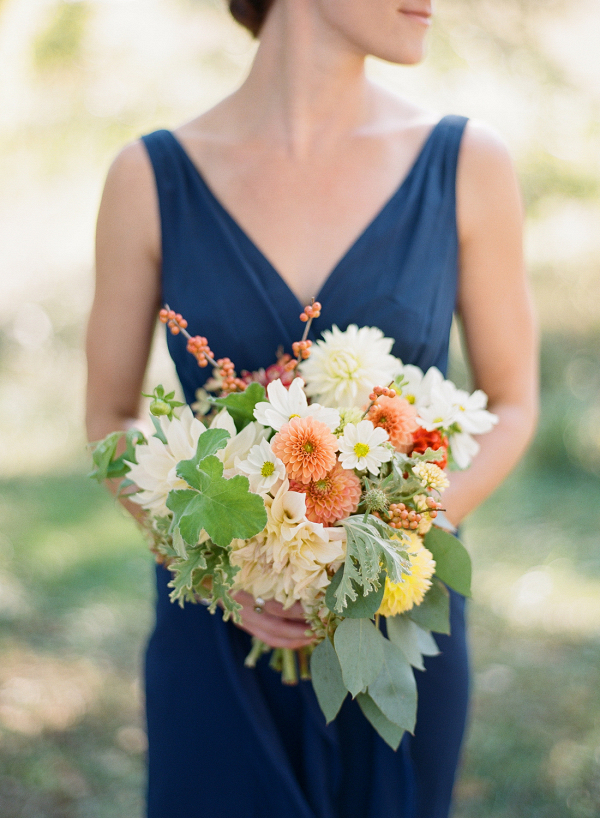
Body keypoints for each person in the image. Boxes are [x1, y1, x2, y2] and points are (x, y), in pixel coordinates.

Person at [85, 1, 539, 816]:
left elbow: (512, 405)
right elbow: (110, 416)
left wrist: (379, 545)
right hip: (217, 640)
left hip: (395, 632)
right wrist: (231, 571)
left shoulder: (469, 161)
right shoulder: (148, 177)